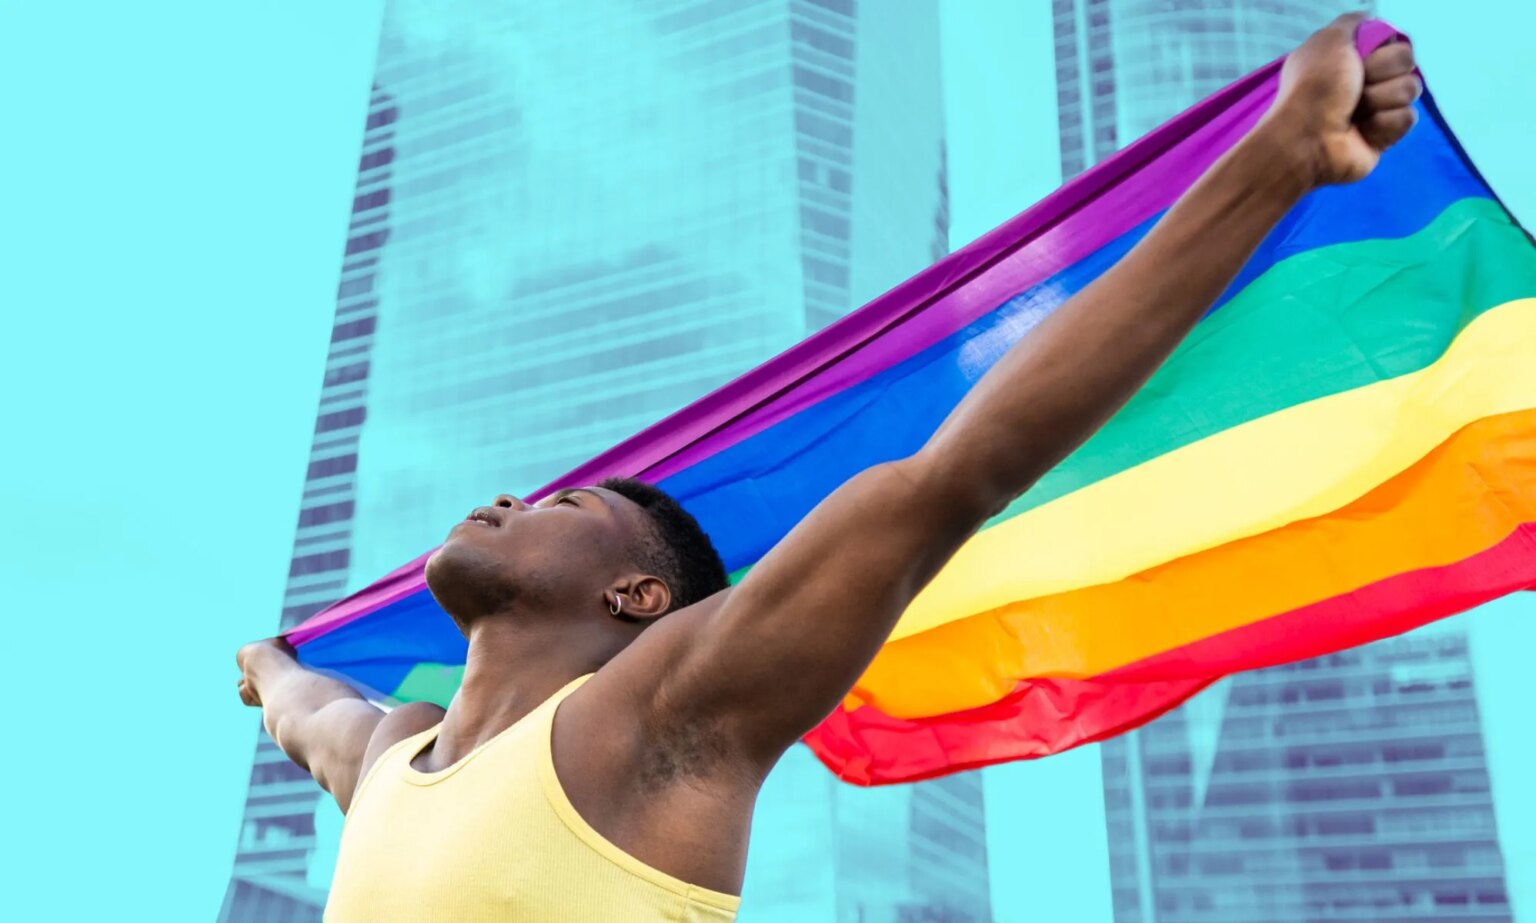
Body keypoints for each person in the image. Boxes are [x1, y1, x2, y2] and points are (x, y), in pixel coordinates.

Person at [236, 16, 1421, 921]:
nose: (508, 498)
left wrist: (1280, 159)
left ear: (637, 595)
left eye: (565, 503)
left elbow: (964, 467)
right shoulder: (392, 751)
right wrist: (270, 662)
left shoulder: (664, 710)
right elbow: (300, 706)